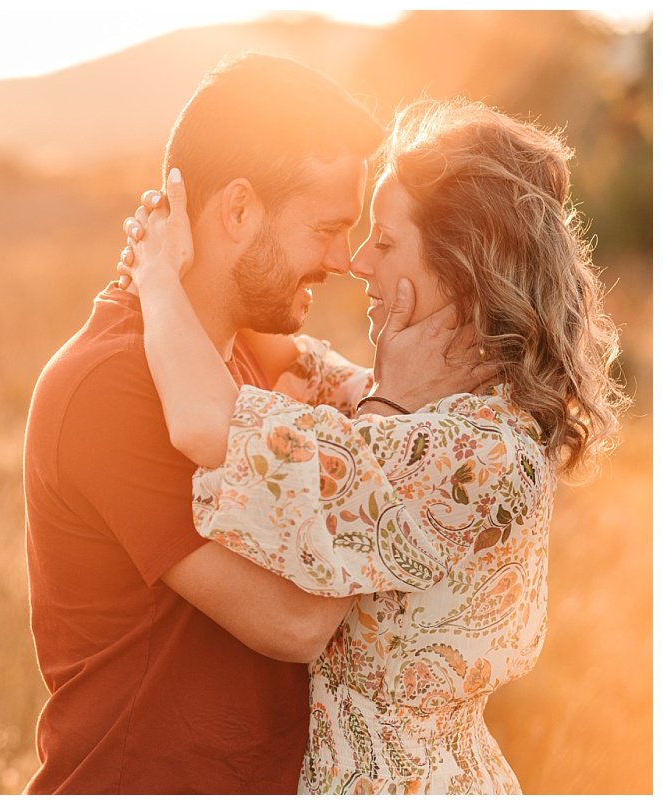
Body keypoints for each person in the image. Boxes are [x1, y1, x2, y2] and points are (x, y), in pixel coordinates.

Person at [118, 97, 628, 794]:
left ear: (459, 271)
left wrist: (153, 279)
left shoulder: (470, 453)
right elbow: (307, 365)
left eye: (384, 242)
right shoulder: (454, 412)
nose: (357, 261)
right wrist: (214, 257)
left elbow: (210, 424)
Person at [21, 53, 472, 794]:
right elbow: (294, 620)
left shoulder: (251, 351)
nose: (344, 259)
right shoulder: (112, 386)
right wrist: (382, 438)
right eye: (327, 227)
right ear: (237, 211)